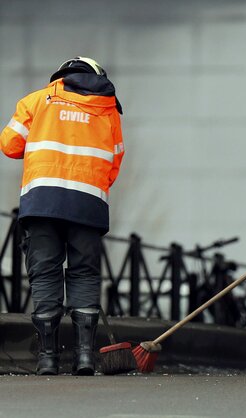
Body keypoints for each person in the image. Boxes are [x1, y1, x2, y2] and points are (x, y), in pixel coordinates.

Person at [0, 57, 124, 375]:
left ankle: (47, 359)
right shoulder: (108, 109)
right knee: (84, 274)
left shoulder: (36, 100)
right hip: (87, 202)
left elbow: (9, 144)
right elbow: (115, 160)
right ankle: (84, 356)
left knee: (44, 274)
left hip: (42, 200)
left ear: (61, 76)